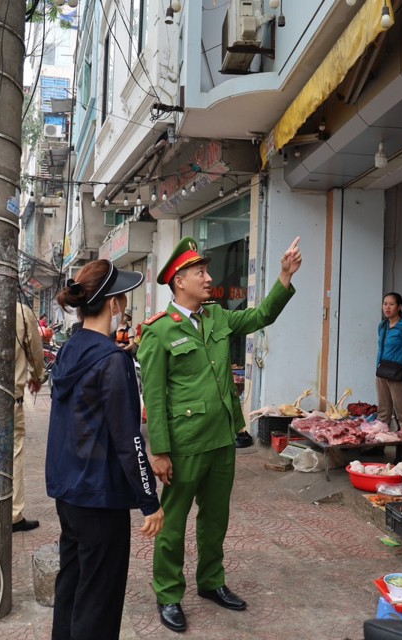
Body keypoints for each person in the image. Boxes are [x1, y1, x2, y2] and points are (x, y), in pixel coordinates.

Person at [138, 236, 302, 633]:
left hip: (221, 441)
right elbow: (154, 397)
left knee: (216, 520)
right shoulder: (159, 332)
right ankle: (168, 592)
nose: (209, 279)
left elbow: (262, 315)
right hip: (184, 445)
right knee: (173, 524)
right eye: (201, 273)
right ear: (179, 281)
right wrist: (158, 451)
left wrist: (284, 276)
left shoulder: (218, 318)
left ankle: (211, 582)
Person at [46, 259, 164, 640]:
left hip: (68, 491)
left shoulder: (70, 349)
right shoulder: (111, 361)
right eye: (123, 299)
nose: (125, 306)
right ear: (113, 304)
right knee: (99, 599)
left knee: (72, 584)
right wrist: (150, 500)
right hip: (100, 497)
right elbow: (129, 439)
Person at [11, 301, 45, 533]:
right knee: (13, 453)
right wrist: (37, 376)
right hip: (9, 400)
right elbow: (35, 350)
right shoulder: (20, 311)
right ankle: (12, 515)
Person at [375, 292, 402, 430]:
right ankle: (379, 446)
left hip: (398, 373)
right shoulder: (383, 326)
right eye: (385, 304)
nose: (387, 307)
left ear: (399, 307)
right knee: (382, 413)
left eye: (391, 304)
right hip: (382, 372)